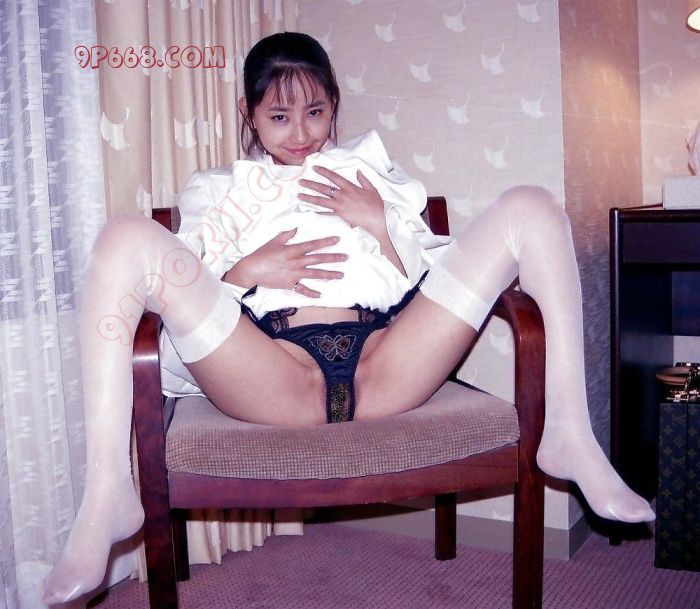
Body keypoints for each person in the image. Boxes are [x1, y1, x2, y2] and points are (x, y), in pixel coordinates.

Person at [43, 31, 654, 605]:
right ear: (248, 114)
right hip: (273, 372)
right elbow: (191, 307)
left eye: (315, 112)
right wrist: (246, 270)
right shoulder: (217, 190)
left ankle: (569, 434)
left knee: (531, 206)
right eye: (278, 117)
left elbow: (429, 285)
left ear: (334, 104)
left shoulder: (373, 174)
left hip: (387, 359)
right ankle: (107, 491)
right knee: (124, 236)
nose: (301, 132)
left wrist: (379, 223)